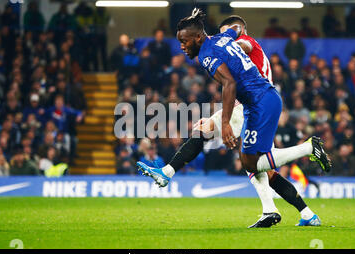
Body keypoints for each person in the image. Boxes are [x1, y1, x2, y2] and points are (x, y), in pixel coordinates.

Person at [137, 13, 326, 228]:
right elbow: (234, 29)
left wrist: (225, 122)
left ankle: (167, 172)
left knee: (211, 132)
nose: (181, 46)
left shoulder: (233, 46)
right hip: (256, 103)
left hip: (255, 103)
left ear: (198, 37)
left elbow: (234, 68)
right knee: (258, 167)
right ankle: (293, 212)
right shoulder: (225, 39)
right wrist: (227, 36)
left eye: (184, 41)